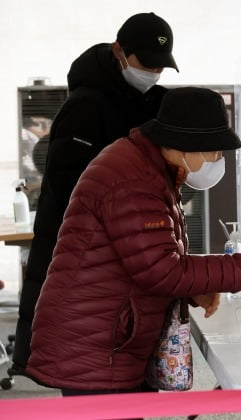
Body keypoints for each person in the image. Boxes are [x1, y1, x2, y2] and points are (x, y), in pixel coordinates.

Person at [26, 87, 241, 395]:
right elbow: (161, 270)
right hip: (95, 344)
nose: (218, 160)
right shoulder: (132, 180)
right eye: (215, 152)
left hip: (108, 335)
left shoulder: (146, 167)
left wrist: (196, 289)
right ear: (185, 144)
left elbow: (149, 257)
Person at [10, 12, 179, 377]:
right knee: (89, 369)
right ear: (119, 51)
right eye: (146, 63)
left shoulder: (151, 103)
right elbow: (74, 190)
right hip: (87, 257)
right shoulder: (85, 107)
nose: (153, 72)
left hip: (127, 254)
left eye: (160, 66)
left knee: (124, 369)